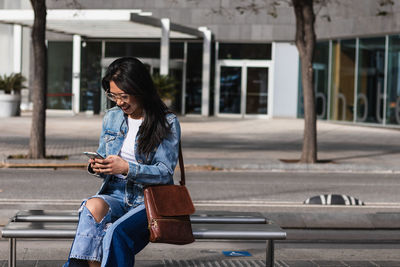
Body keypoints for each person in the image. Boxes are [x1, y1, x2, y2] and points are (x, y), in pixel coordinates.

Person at [64, 57, 180, 267]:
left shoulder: (167, 121)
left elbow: (164, 172)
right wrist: (97, 165)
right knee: (91, 208)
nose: (119, 102)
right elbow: (104, 154)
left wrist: (127, 168)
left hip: (149, 198)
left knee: (115, 233)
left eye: (124, 96)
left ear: (141, 89)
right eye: (113, 95)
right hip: (115, 193)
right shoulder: (112, 117)